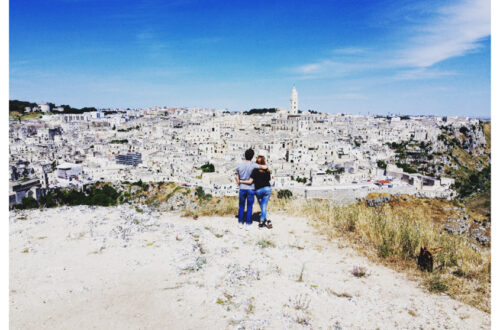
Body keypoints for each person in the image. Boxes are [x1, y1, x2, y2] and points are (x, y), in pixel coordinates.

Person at [235, 149, 267, 230]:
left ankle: (240, 222)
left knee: (241, 206)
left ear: (244, 155)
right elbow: (265, 167)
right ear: (252, 157)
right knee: (249, 206)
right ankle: (248, 223)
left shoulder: (240, 165)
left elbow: (236, 176)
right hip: (251, 188)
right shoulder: (254, 165)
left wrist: (239, 182)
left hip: (242, 188)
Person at [239, 155, 272, 229]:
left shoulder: (255, 170)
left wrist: (240, 181)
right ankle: (266, 221)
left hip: (258, 190)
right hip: (267, 189)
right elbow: (269, 179)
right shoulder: (267, 170)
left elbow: (250, 181)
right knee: (264, 206)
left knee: (262, 206)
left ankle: (261, 222)